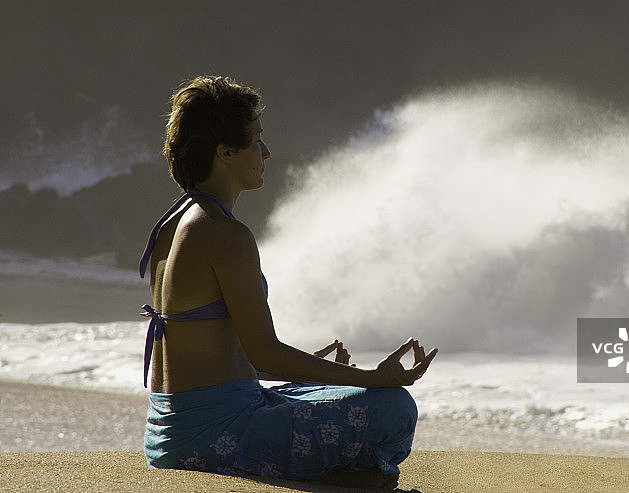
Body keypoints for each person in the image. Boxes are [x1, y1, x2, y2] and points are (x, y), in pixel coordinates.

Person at [138, 75, 437, 489]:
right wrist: (374, 378)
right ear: (225, 152)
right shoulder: (224, 233)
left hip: (170, 431)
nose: (266, 151)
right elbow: (266, 358)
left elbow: (210, 354)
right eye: (256, 140)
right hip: (213, 438)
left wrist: (315, 375)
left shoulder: (174, 223)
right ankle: (339, 477)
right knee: (393, 407)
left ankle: (339, 475)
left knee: (321, 393)